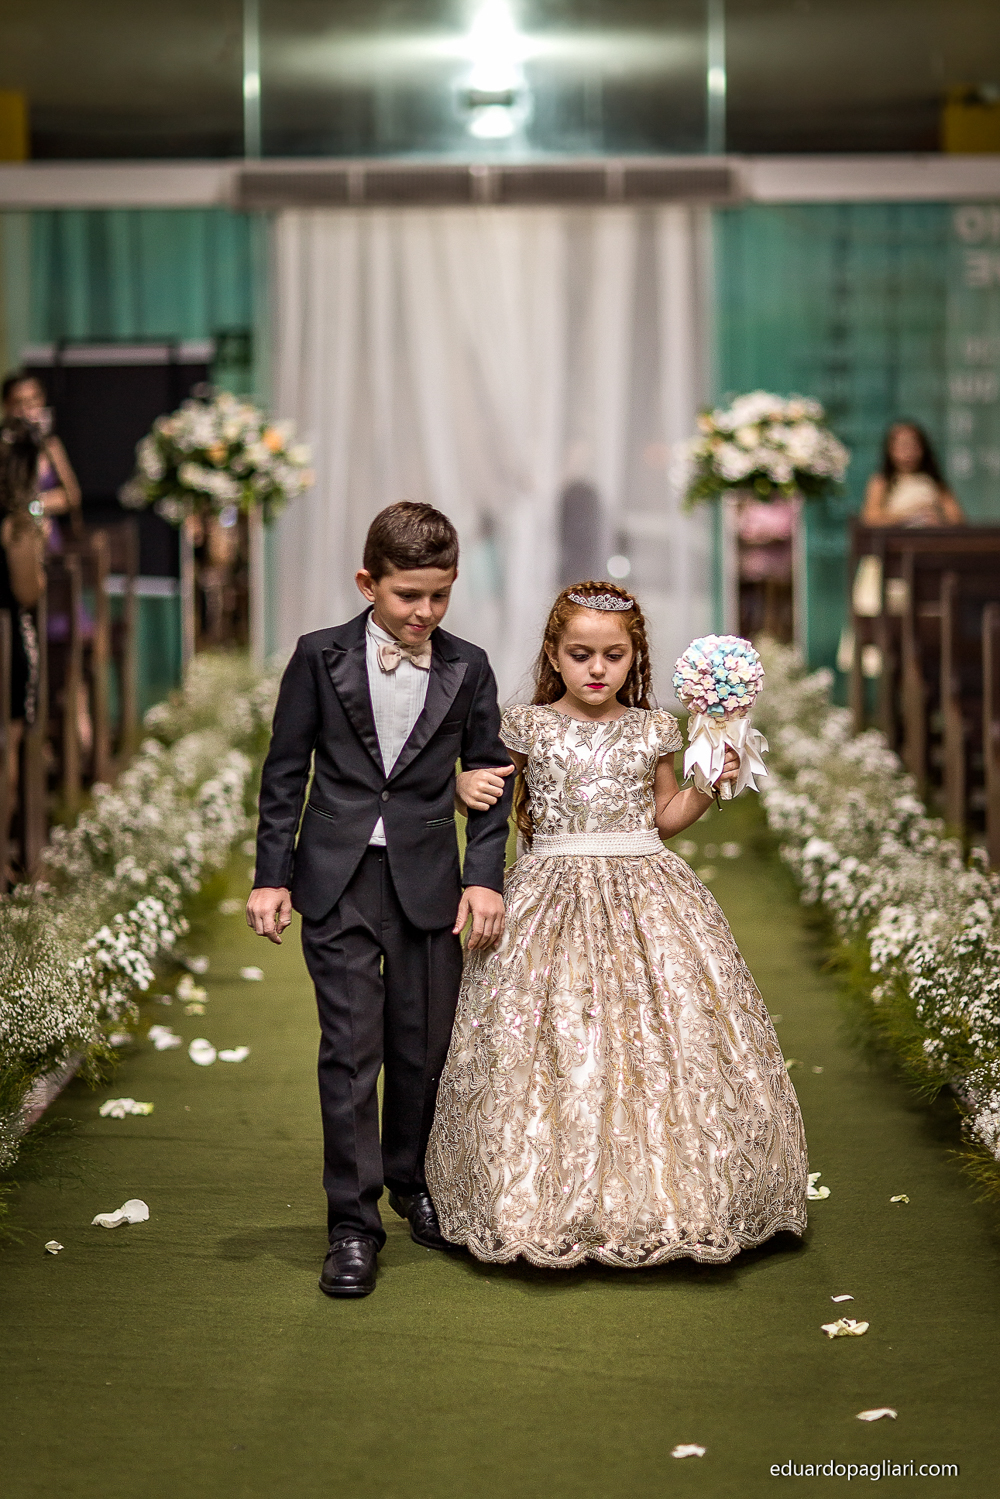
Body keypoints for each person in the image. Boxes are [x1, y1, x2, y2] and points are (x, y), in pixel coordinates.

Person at [427, 580, 809, 1268]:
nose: (597, 669)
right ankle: (538, 1194)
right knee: (557, 1035)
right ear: (554, 653)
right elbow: (487, 794)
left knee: (660, 1035)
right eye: (581, 655)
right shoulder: (527, 726)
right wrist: (460, 787)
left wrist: (706, 785)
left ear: (636, 657)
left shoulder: (652, 728)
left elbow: (663, 816)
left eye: (614, 656)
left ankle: (670, 1196)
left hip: (645, 889)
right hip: (550, 893)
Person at [247, 502, 514, 1298]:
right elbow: (284, 772)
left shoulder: (469, 666)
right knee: (351, 1051)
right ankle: (353, 1224)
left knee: (423, 1048)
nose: (424, 612)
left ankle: (412, 1182)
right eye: (407, 595)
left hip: (430, 885)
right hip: (337, 882)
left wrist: (484, 876)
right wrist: (271, 875)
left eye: (439, 594)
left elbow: (492, 779)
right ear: (368, 583)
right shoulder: (317, 656)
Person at [1, 373, 81, 525]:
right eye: (19, 402)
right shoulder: (5, 447)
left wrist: (35, 507)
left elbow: (72, 496)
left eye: (34, 400)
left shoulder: (50, 445)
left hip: (46, 532)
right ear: (7, 406)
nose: (27, 410)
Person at [861, 421, 963, 528]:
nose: (909, 452)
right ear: (890, 449)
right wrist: (912, 517)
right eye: (903, 446)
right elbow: (870, 518)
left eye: (914, 445)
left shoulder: (934, 483)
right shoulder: (882, 481)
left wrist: (936, 518)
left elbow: (957, 519)